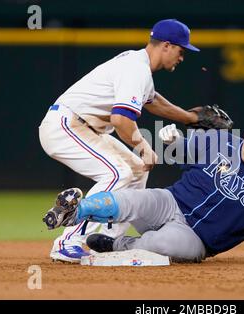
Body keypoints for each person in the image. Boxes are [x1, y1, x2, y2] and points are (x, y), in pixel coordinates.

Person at [43, 109, 244, 267]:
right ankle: (76, 212)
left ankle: (116, 244)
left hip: (196, 239)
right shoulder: (223, 141)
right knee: (132, 200)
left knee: (156, 244)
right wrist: (172, 139)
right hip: (170, 202)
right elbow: (182, 151)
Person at [38, 19, 202, 263]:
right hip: (67, 125)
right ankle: (67, 240)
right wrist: (143, 145)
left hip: (86, 128)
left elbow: (154, 101)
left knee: (136, 170)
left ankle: (106, 239)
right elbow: (120, 119)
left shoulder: (139, 66)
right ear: (166, 45)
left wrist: (191, 117)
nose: (182, 57)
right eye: (181, 50)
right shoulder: (137, 69)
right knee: (118, 172)